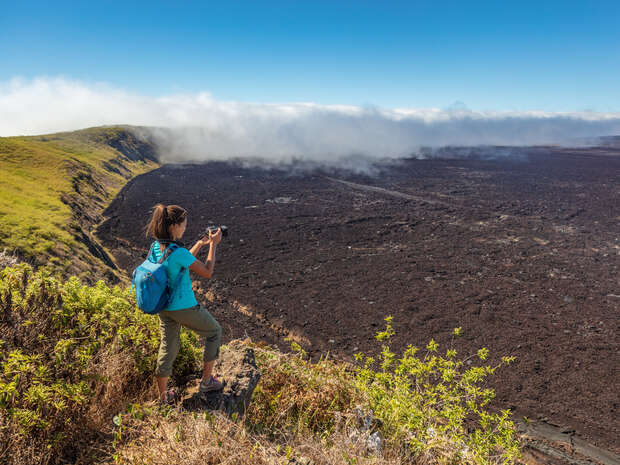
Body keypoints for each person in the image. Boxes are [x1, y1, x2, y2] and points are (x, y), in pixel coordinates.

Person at [143, 203, 223, 403]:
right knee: (214, 332)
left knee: (167, 347)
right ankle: (206, 382)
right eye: (183, 225)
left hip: (163, 307)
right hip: (183, 306)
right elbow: (207, 271)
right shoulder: (178, 251)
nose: (185, 228)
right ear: (174, 227)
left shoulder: (156, 247)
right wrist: (213, 245)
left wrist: (199, 244)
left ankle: (163, 397)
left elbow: (178, 262)